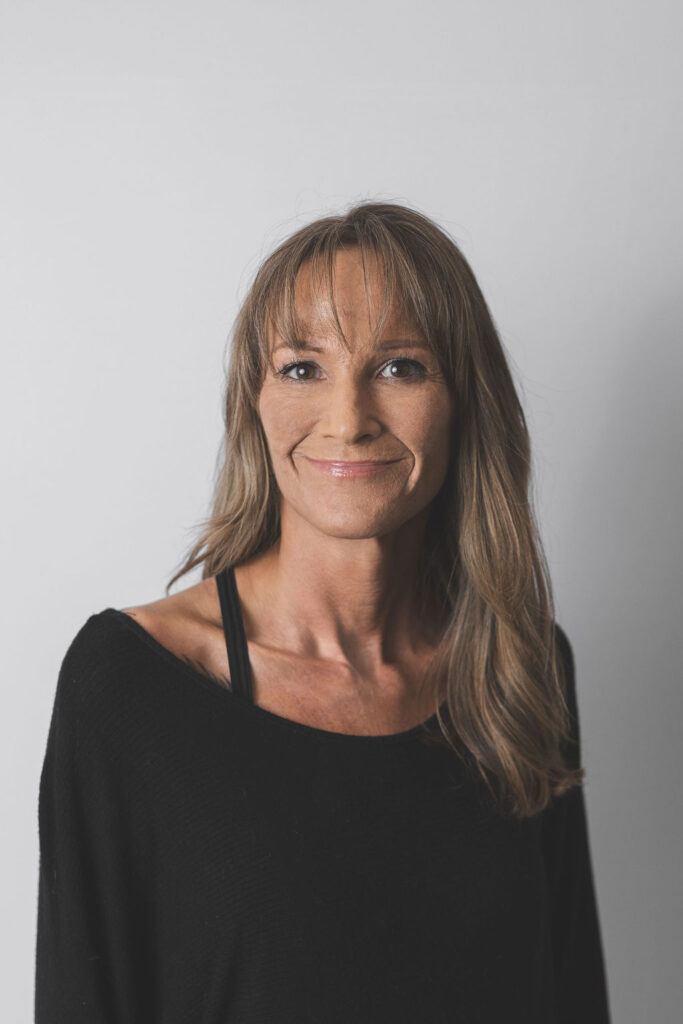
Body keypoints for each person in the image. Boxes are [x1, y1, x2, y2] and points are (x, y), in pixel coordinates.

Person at [34, 200, 611, 1022]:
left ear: (463, 399)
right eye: (302, 368)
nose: (348, 420)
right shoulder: (132, 684)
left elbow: (570, 993)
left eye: (400, 367)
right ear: (254, 400)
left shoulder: (521, 665)